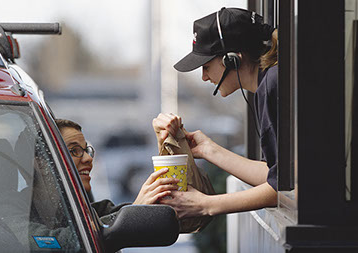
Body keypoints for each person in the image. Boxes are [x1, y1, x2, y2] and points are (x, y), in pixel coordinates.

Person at [152, 7, 278, 218]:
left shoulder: (272, 85)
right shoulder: (266, 84)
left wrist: (206, 205)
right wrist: (208, 150)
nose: (203, 77)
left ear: (232, 59)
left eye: (206, 66)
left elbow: (290, 187)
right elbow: (275, 177)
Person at [55, 119, 179, 223]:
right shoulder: (40, 223)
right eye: (74, 151)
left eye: (87, 150)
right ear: (41, 161)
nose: (88, 158)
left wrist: (138, 209)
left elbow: (106, 219)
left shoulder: (83, 209)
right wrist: (135, 211)